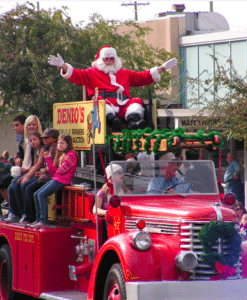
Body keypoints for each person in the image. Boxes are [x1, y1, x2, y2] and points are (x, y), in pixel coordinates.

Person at [48, 46, 178, 131]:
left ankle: (134, 123)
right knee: (99, 102)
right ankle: (112, 121)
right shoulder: (91, 73)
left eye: (111, 58)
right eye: (106, 58)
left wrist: (162, 68)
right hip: (105, 104)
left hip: (123, 104)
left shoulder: (124, 73)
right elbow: (76, 75)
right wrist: (63, 66)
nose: (109, 60)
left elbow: (142, 77)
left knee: (136, 101)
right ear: (100, 60)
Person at [32, 134, 78, 229]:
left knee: (41, 195)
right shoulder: (61, 155)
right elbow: (52, 171)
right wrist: (48, 158)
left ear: (68, 144)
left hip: (62, 181)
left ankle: (43, 221)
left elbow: (61, 171)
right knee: (36, 194)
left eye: (62, 143)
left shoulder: (71, 154)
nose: (59, 145)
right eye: (58, 143)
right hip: (56, 179)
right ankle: (38, 219)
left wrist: (55, 170)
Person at [4, 116, 43, 223]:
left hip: (38, 173)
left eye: (33, 124)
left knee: (21, 184)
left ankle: (25, 214)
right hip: (29, 170)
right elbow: (24, 156)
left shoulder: (41, 145)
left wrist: (27, 175)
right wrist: (19, 159)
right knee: (12, 185)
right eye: (29, 125)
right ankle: (15, 212)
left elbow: (38, 165)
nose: (31, 127)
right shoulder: (25, 141)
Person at [20, 128, 59, 224]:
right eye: (43, 138)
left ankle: (36, 218)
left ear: (54, 139)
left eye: (46, 138)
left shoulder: (53, 147)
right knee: (28, 188)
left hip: (50, 177)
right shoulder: (47, 148)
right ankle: (33, 217)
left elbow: (53, 166)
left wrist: (42, 171)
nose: (44, 140)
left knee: (32, 191)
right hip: (46, 175)